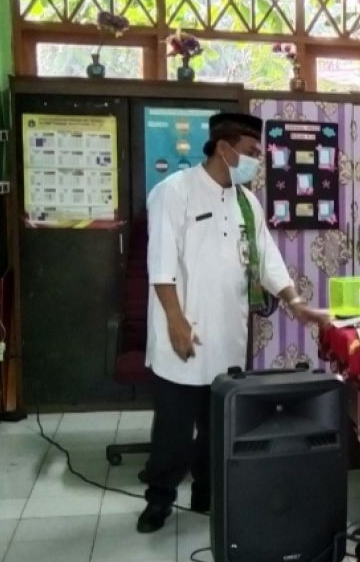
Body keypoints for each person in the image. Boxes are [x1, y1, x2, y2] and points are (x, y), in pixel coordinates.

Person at [140, 112, 327, 533]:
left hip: (227, 335)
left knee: (215, 425)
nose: (255, 162)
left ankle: (206, 493)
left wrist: (295, 301)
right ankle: (158, 500)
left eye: (258, 155)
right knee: (173, 427)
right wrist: (175, 321)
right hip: (183, 332)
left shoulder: (246, 201)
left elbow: (268, 261)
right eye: (250, 153)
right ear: (223, 148)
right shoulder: (175, 192)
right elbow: (161, 266)